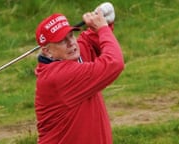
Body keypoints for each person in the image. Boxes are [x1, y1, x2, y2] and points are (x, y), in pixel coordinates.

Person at [34, 8, 124, 144]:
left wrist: (101, 21)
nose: (71, 43)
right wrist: (103, 28)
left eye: (71, 35)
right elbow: (114, 63)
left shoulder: (70, 55)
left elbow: (89, 41)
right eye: (62, 41)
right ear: (47, 52)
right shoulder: (58, 77)